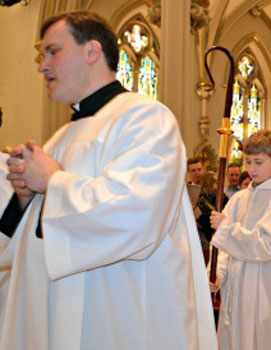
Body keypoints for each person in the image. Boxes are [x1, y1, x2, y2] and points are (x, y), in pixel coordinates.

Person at [0, 11, 217, 350]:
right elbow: (35, 242)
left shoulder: (146, 118)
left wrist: (53, 182)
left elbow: (135, 215)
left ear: (92, 52)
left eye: (52, 51)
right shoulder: (61, 136)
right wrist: (27, 197)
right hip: (61, 313)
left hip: (121, 313)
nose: (42, 65)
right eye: (40, 55)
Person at [209, 130, 271, 350]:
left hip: (263, 280)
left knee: (261, 339)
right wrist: (217, 274)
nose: (251, 169)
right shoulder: (239, 198)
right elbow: (221, 246)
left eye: (258, 162)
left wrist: (226, 228)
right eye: (248, 162)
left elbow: (265, 245)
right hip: (235, 281)